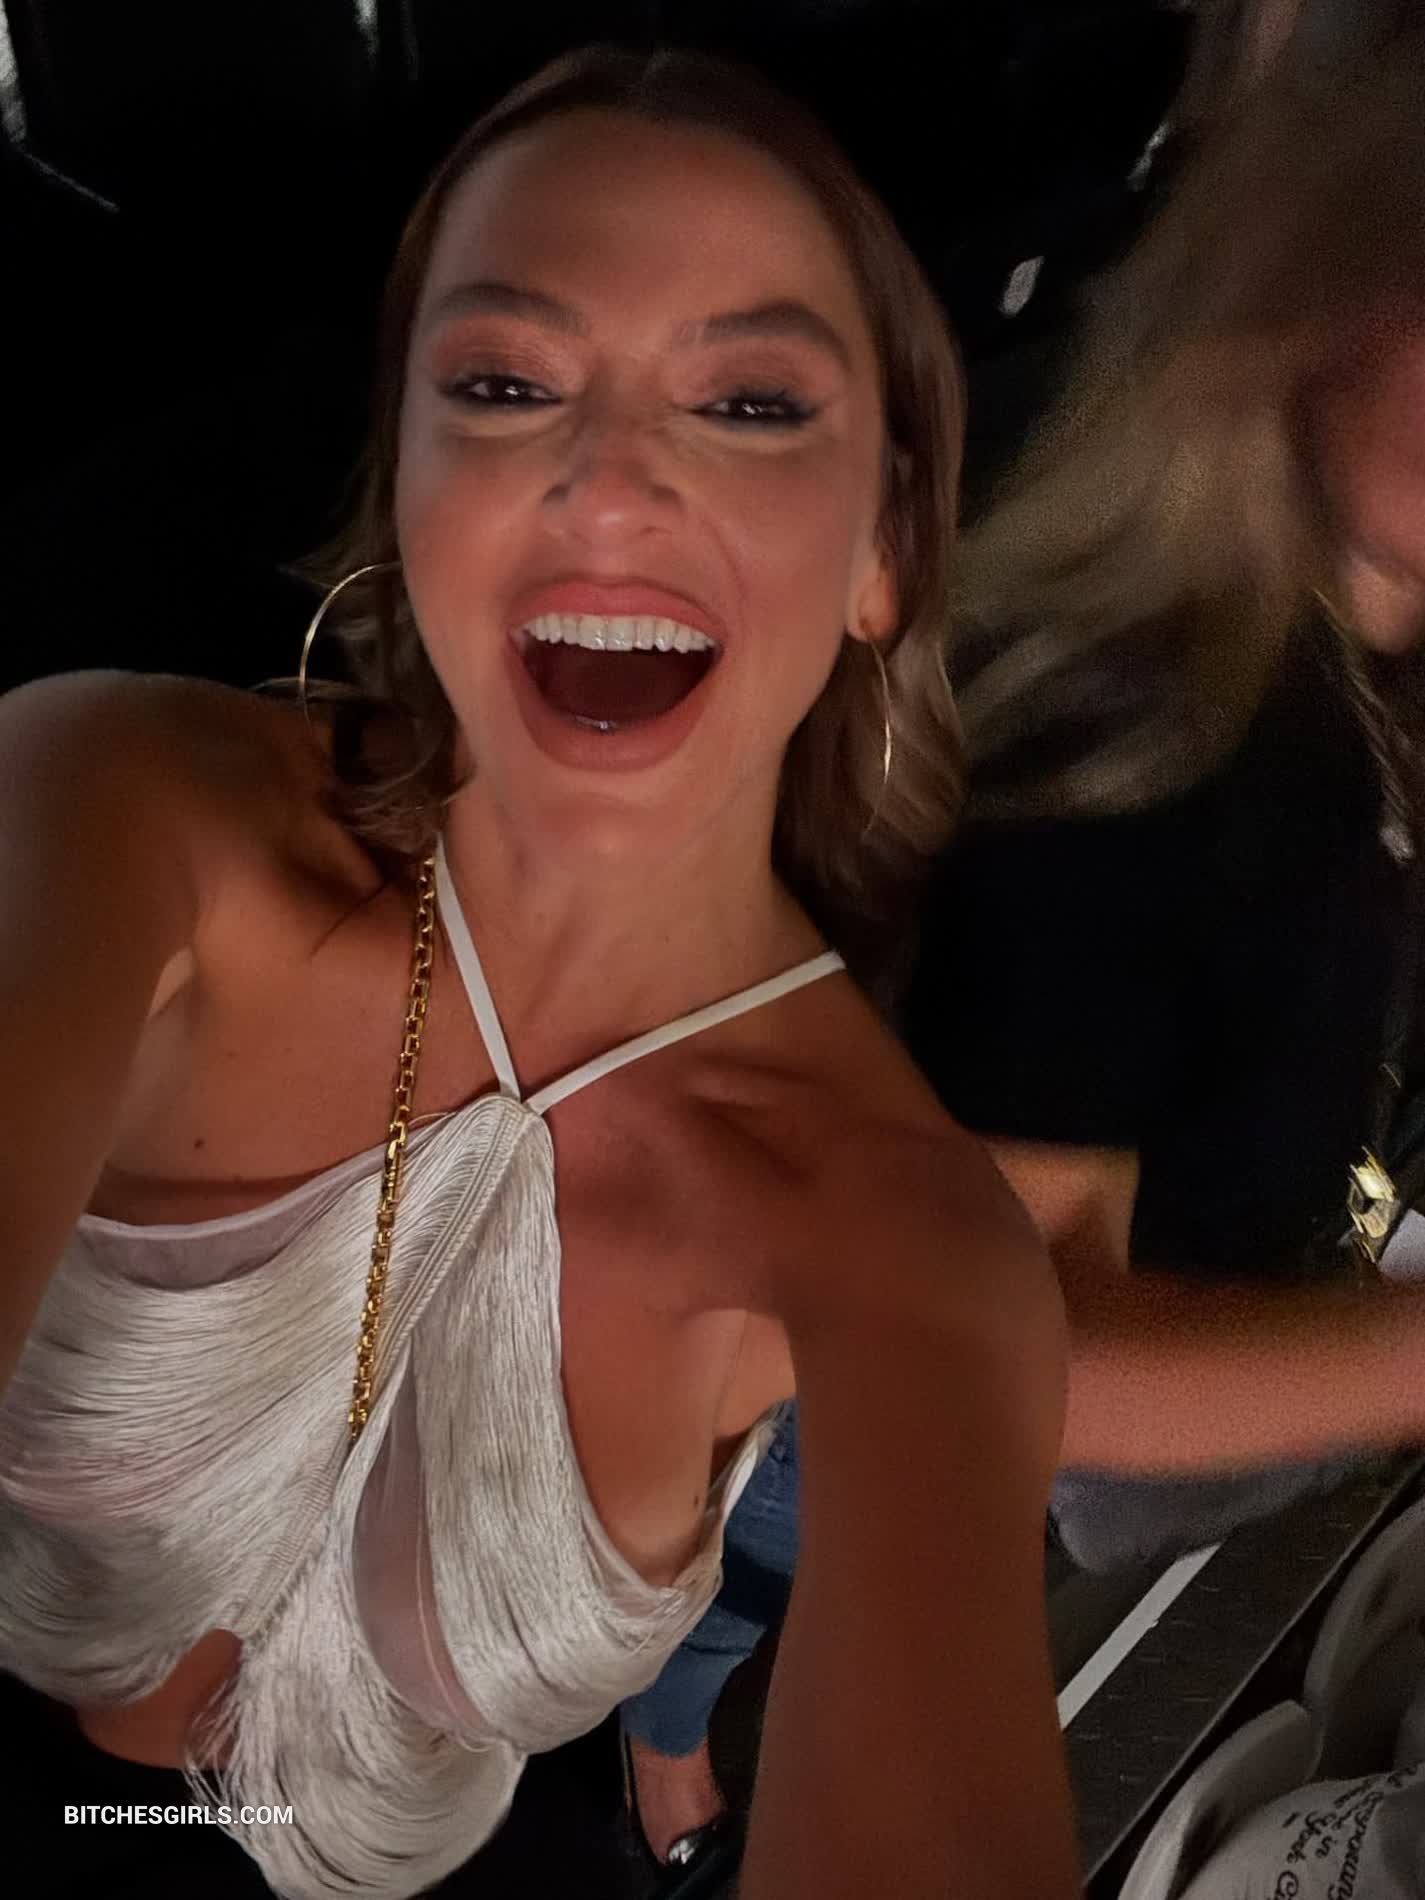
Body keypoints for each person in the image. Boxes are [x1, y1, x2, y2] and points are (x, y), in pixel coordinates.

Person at [0, 44, 1078, 1900]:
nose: (609, 477)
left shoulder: (899, 1237)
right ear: (405, 478)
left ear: (885, 549)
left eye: (749, 403)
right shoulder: (116, 807)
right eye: (503, 384)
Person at [620, 20, 1425, 1873]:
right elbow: (1011, 1351)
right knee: (763, 1557)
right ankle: (668, 1756)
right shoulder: (1145, 750)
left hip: (1171, 1272)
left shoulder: (1353, 627)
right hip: (878, 1372)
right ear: (1317, 283)